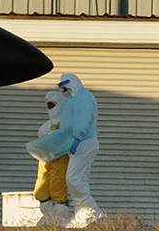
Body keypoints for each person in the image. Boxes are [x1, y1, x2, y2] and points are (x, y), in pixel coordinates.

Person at [58, 73, 103, 228]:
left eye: (66, 88)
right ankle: (87, 213)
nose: (64, 92)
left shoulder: (84, 98)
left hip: (84, 142)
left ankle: (88, 211)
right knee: (79, 179)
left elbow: (82, 120)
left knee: (73, 178)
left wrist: (77, 137)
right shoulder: (74, 99)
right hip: (78, 143)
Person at [33, 91, 69, 226]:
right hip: (45, 157)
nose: (51, 108)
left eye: (53, 104)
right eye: (49, 105)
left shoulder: (67, 122)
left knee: (58, 186)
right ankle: (47, 216)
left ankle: (60, 216)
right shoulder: (48, 124)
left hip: (61, 158)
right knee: (41, 187)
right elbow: (41, 133)